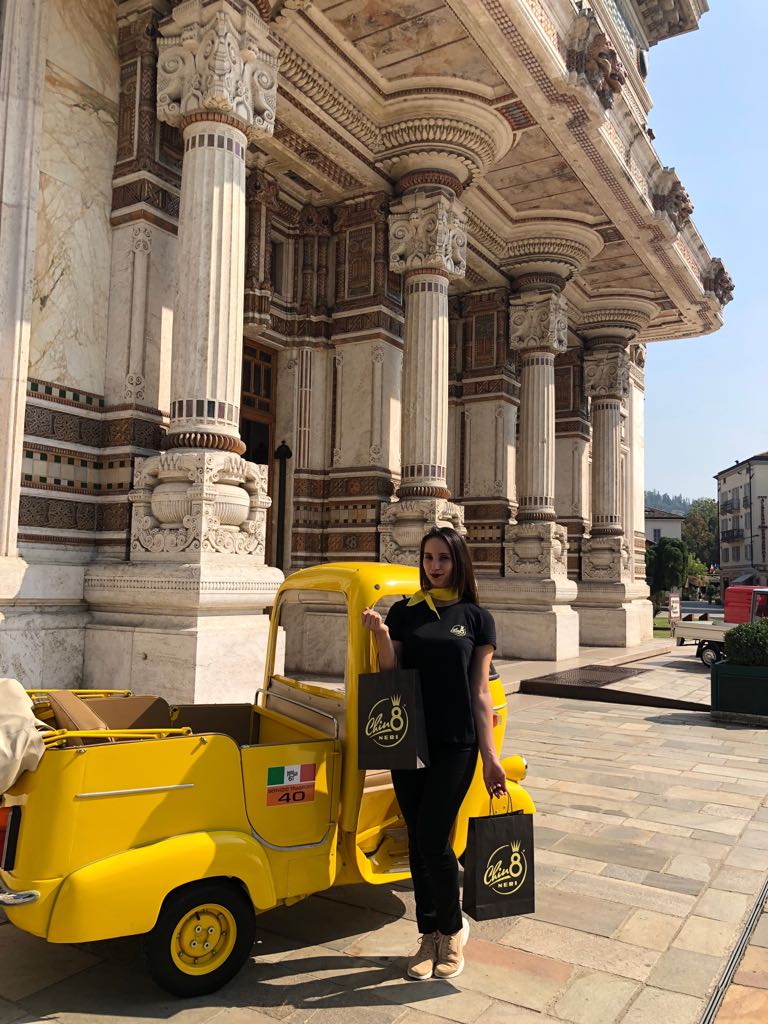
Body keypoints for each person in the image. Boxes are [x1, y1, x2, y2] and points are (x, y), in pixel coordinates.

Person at [361, 526, 506, 981]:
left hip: (456, 743)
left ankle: (452, 929)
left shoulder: (476, 618)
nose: (434, 566)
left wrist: (490, 757)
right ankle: (429, 936)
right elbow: (391, 671)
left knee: (432, 838)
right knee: (418, 841)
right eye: (428, 557)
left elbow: (479, 691)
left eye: (443, 558)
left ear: (458, 561)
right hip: (408, 737)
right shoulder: (405, 612)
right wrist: (382, 634)